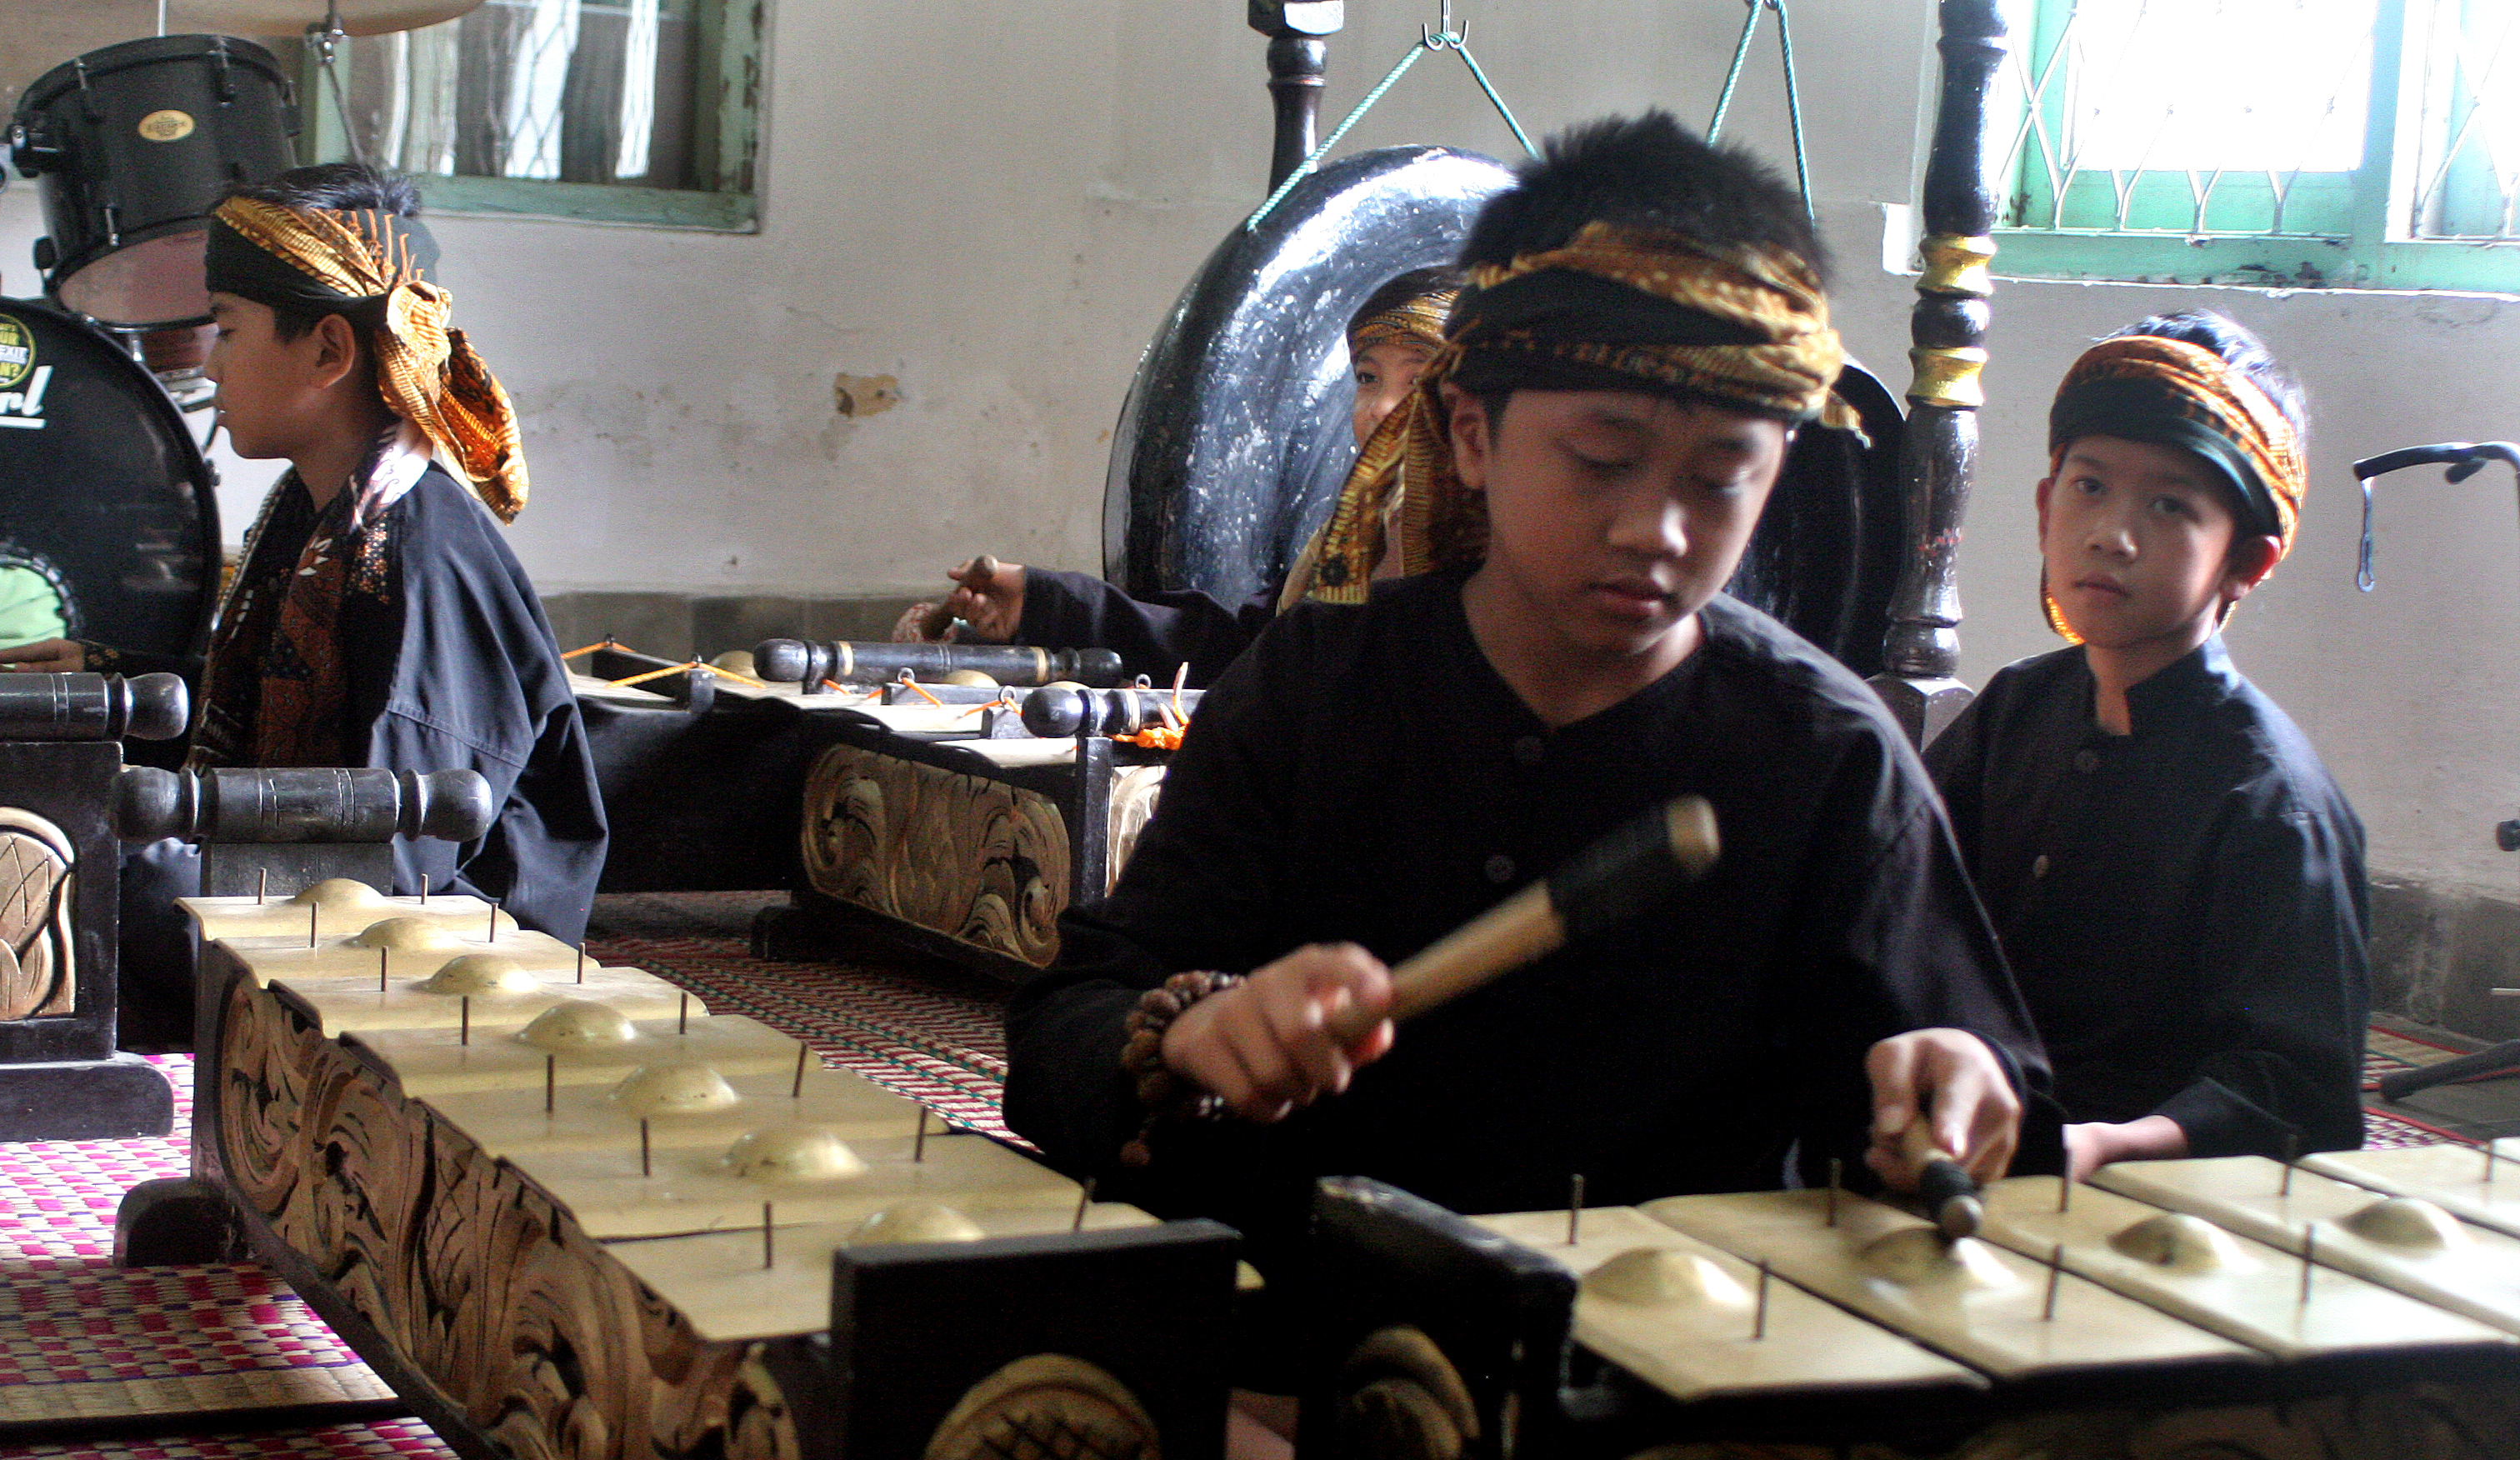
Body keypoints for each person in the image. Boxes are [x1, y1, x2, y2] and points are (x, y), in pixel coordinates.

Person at [1003, 113, 2060, 1315]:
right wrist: (1187, 1037)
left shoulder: (1827, 757)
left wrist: (1957, 1088)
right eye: (1602, 458)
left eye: (1721, 477)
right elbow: (1063, 1028)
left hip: (1655, 1363)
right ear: (1471, 435)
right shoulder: (1316, 690)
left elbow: (1982, 1111)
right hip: (1300, 1347)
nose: (1656, 528)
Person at [0, 163, 608, 1045]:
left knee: (69, 864)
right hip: (349, 882)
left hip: (450, 951)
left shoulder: (417, 551)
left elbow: (398, 856)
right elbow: (275, 716)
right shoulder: (320, 511)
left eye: (228, 329)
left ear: (327, 352)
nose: (210, 362)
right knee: (49, 820)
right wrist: (111, 679)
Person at [1923, 311, 2366, 1176]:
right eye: (2089, 486)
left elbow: (2298, 1092)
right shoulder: (2018, 707)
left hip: (2138, 1196)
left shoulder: (2273, 802)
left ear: (2247, 562)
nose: (2111, 535)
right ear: (2046, 507)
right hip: (1964, 1132)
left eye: (2169, 505)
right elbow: (1910, 905)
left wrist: (2098, 1145)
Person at [891, 267, 1466, 682]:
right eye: (1367, 378)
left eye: (1418, 380)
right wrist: (1044, 603)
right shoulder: (1345, 543)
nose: (1379, 408)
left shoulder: (1500, 559)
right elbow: (1239, 655)